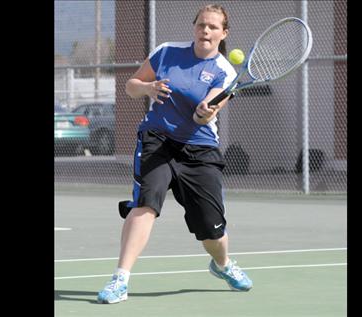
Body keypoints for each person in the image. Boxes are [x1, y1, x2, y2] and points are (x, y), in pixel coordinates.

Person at [97, 4, 253, 304]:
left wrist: (204, 111)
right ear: (194, 27)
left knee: (212, 229)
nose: (205, 31)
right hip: (157, 139)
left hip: (200, 149)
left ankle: (222, 265)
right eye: (201, 25)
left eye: (212, 27)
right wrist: (148, 88)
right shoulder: (167, 52)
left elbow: (203, 117)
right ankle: (120, 279)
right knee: (146, 202)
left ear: (223, 33)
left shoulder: (225, 72)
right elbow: (131, 86)